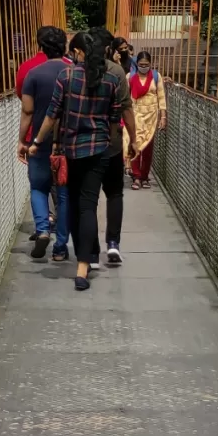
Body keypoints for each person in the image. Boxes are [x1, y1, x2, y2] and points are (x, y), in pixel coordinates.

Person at [29, 29, 135, 290]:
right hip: (99, 151)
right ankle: (83, 269)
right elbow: (114, 118)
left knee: (73, 204)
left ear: (77, 52)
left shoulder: (67, 75)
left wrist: (37, 142)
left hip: (71, 150)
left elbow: (53, 114)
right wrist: (113, 140)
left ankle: (80, 256)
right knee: (88, 206)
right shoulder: (111, 77)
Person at [18, 28, 71, 261]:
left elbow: (27, 110)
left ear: (41, 46)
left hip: (39, 141)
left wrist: (22, 140)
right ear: (65, 46)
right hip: (69, 142)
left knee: (38, 186)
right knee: (64, 192)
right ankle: (61, 244)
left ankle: (42, 230)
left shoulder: (33, 74)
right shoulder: (75, 72)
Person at [93, 27, 133, 266]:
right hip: (113, 143)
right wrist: (134, 139)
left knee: (87, 200)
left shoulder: (75, 72)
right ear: (109, 48)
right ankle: (113, 245)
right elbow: (126, 108)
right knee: (115, 194)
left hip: (84, 146)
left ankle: (90, 252)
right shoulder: (117, 71)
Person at [126, 51, 167, 188]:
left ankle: (145, 176)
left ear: (151, 64)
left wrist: (163, 116)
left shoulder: (156, 76)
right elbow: (125, 98)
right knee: (136, 144)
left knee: (148, 147)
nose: (143, 67)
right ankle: (136, 176)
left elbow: (161, 96)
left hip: (151, 116)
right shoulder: (130, 77)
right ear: (136, 64)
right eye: (141, 64)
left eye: (146, 64)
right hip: (135, 115)